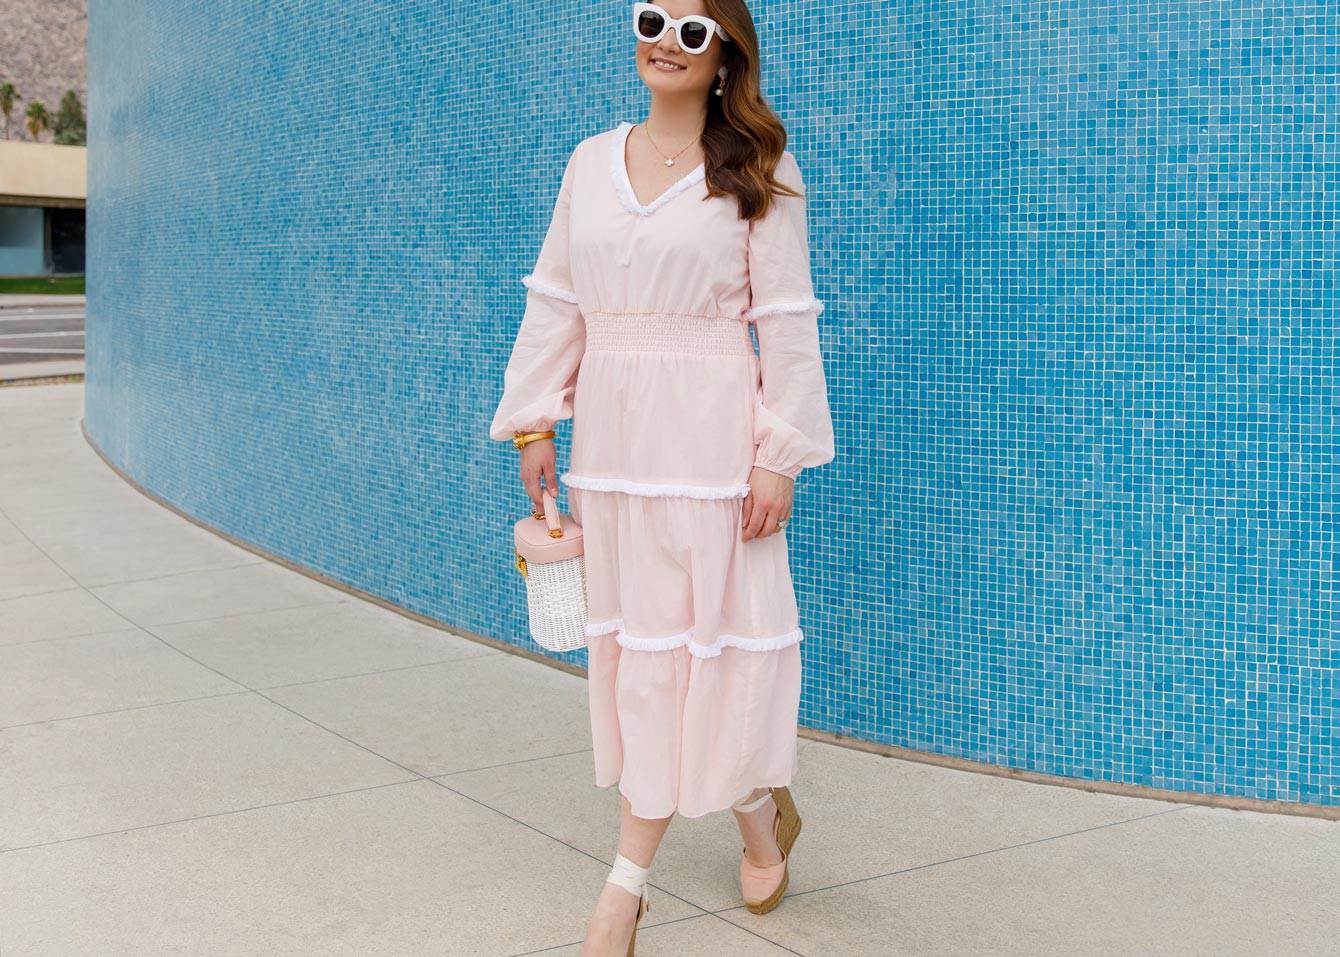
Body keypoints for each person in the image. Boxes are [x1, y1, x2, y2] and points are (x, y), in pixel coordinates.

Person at [488, 2, 835, 952]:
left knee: (710, 647)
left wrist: (780, 457)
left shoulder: (759, 168)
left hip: (718, 448)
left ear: (724, 53)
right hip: (617, 449)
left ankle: (624, 887)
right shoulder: (588, 162)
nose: (666, 41)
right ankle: (761, 814)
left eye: (693, 29)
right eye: (653, 17)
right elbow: (558, 296)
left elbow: (790, 321)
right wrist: (533, 418)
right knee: (649, 652)